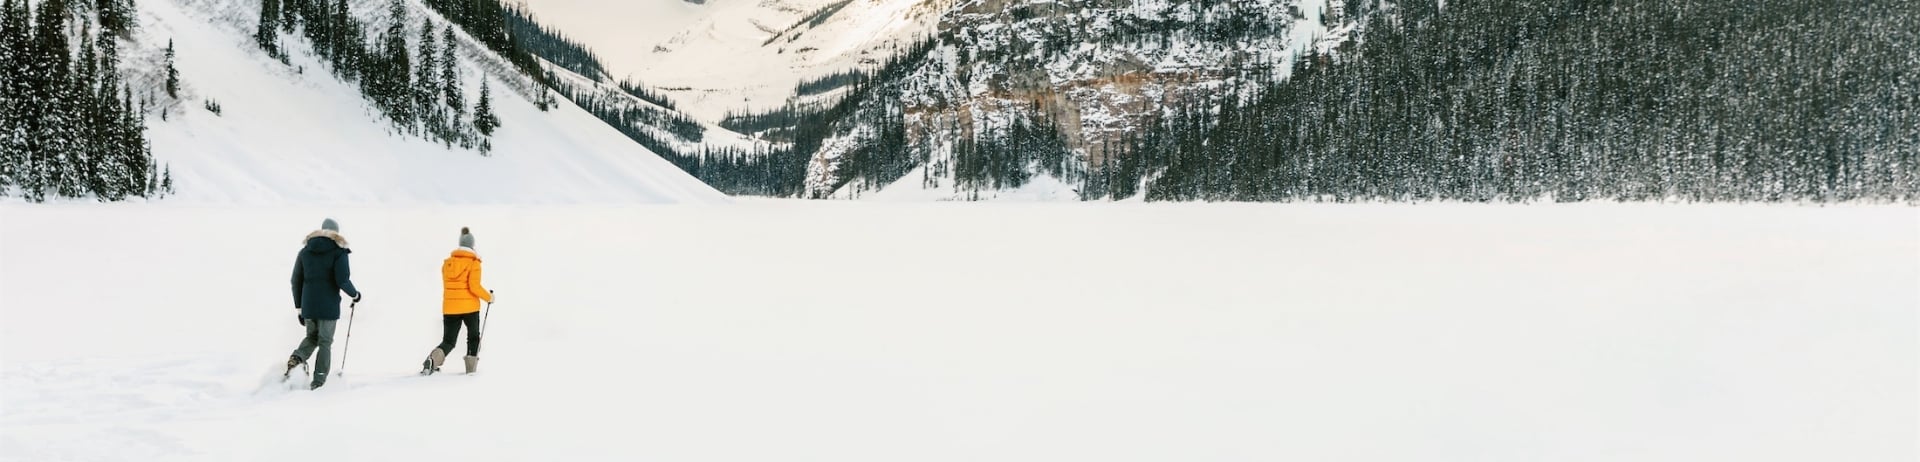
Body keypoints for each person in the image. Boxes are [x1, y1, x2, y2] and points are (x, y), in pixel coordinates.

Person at [288, 218, 362, 390]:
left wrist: (299, 307)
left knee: (312, 337)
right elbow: (342, 280)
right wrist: (355, 295)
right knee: (325, 341)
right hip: (328, 306)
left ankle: (297, 358)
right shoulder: (339, 252)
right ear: (336, 232)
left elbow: (295, 281)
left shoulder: (305, 251)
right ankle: (319, 381)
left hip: (308, 305)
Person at [424, 227, 494, 375]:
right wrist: (489, 297)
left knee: (449, 341)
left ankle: (432, 360)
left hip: (450, 308)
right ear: (472, 245)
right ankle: (471, 369)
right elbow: (474, 287)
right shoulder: (474, 263)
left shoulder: (447, 264)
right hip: (470, 308)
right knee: (473, 337)